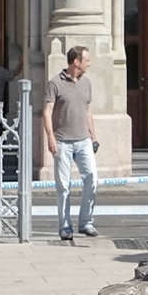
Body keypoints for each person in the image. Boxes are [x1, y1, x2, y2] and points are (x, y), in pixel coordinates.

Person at [42, 45, 99, 242]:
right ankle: (65, 226)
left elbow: (88, 111)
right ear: (76, 62)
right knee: (63, 187)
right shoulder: (55, 83)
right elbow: (47, 112)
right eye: (86, 60)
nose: (89, 63)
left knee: (92, 179)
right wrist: (50, 137)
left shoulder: (86, 83)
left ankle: (86, 222)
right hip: (62, 142)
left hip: (83, 141)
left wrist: (93, 136)